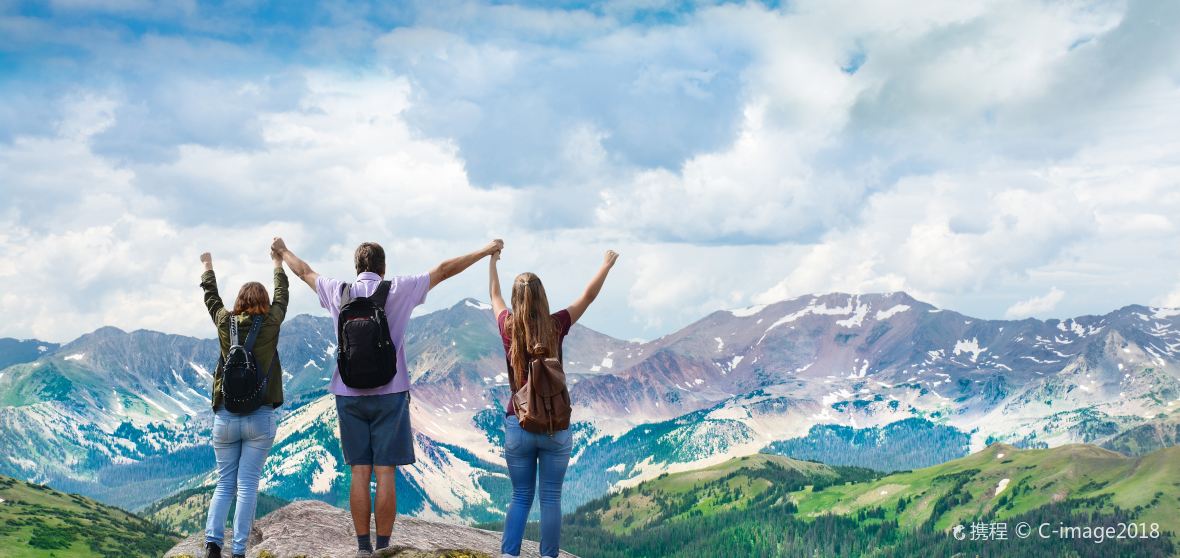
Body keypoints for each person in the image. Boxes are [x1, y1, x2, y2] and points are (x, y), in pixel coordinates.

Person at [272, 236, 503, 557]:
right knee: (385, 473)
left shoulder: (337, 291)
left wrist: (282, 252)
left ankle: (363, 548)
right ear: (383, 268)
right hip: (391, 393)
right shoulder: (400, 289)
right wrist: (486, 250)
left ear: (357, 268)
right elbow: (445, 270)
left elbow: (305, 272)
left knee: (359, 471)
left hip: (347, 393)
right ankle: (384, 547)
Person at [490, 249, 619, 558]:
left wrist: (492, 260)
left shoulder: (508, 327)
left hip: (518, 423)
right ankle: (549, 555)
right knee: (551, 498)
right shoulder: (556, 325)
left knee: (520, 496)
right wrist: (605, 265)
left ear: (517, 300)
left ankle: (509, 554)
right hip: (554, 425)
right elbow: (587, 298)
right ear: (542, 298)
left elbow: (494, 295)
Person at [199, 249, 289, 558]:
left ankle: (213, 545)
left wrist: (208, 266)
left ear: (239, 301)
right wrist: (277, 263)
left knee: (224, 483)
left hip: (226, 414)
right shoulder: (271, 323)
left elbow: (211, 298)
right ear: (263, 303)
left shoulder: (225, 322)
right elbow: (282, 296)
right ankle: (238, 551)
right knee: (247, 485)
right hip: (260, 416)